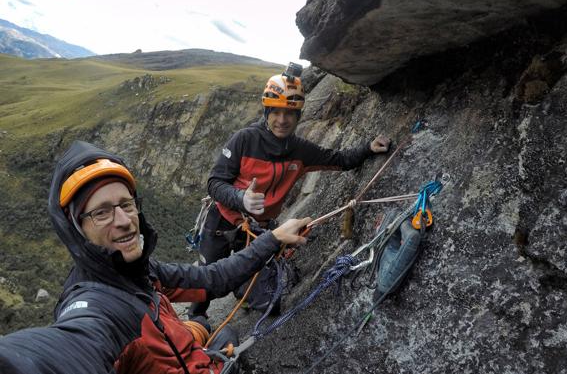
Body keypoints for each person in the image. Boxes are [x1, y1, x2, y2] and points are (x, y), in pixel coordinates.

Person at [0, 140, 311, 374]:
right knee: (222, 335)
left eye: (126, 203)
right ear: (77, 230)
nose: (123, 220)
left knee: (204, 322)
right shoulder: (97, 308)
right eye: (101, 212)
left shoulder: (137, 271)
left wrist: (272, 238)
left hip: (177, 357)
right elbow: (58, 352)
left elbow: (211, 280)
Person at [190, 63, 391, 317]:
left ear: (298, 116)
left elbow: (340, 159)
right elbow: (215, 182)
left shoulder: (300, 151)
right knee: (205, 283)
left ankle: (244, 292)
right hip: (222, 221)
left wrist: (368, 148)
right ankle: (195, 323)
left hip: (256, 230)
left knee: (266, 300)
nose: (282, 120)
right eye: (276, 112)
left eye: (290, 113)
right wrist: (241, 198)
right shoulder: (244, 140)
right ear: (267, 111)